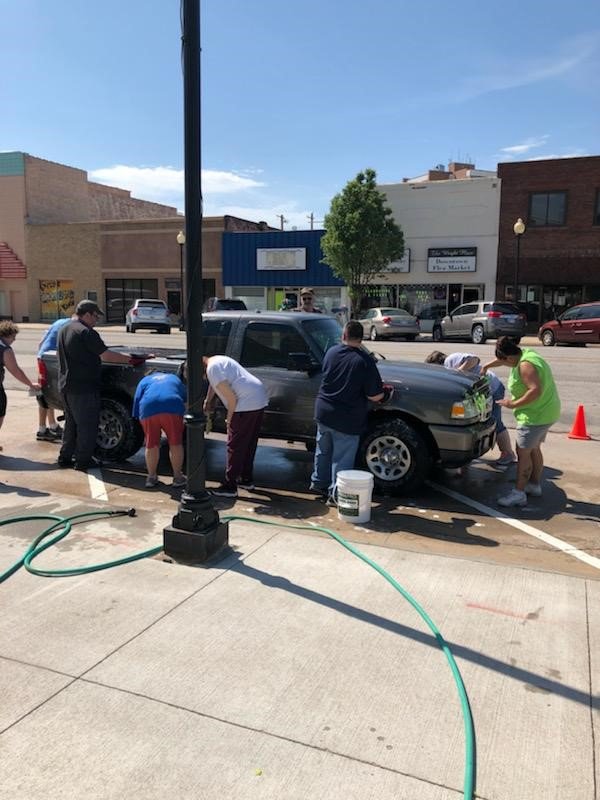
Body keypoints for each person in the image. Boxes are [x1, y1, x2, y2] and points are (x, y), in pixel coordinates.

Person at [57, 299, 148, 472]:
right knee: (87, 425)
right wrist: (132, 360)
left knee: (71, 423)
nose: (96, 320)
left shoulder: (65, 329)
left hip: (66, 385)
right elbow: (105, 355)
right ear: (87, 314)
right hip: (84, 388)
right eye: (95, 316)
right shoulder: (86, 332)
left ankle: (65, 457)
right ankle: (83, 460)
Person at [310, 320, 384, 506]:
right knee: (341, 458)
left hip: (324, 411)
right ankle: (335, 494)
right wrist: (386, 393)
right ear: (362, 338)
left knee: (323, 451)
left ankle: (319, 483)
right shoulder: (364, 361)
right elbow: (374, 396)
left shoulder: (331, 353)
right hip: (347, 418)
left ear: (344, 336)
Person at [482, 336, 561, 507]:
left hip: (534, 416)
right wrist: (487, 366)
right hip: (547, 412)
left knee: (523, 453)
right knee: (534, 449)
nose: (502, 363)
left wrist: (512, 404)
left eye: (504, 361)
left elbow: (534, 391)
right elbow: (502, 359)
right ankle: (534, 485)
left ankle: (519, 493)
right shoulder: (526, 354)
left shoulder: (525, 365)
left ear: (510, 358)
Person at [202, 354, 268, 497]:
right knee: (249, 443)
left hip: (244, 403)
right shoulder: (217, 360)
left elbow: (232, 399)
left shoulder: (212, 369)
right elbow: (216, 383)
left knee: (235, 445)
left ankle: (229, 486)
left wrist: (229, 419)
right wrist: (208, 400)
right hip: (258, 398)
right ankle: (246, 479)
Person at [442, 352, 517, 468]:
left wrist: (458, 372)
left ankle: (508, 453)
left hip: (493, 389)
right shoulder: (449, 365)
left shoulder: (450, 360)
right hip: (484, 391)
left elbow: (474, 359)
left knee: (495, 422)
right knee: (484, 421)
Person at [132, 370, 186, 489]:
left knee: (151, 444)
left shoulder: (144, 380)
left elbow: (136, 403)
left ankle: (151, 477)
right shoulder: (173, 378)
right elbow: (185, 398)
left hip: (148, 408)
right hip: (172, 405)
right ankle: (178, 477)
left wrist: (139, 418)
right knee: (175, 443)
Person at [0, 321, 41, 451]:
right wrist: (30, 384)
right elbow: (15, 371)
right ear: (8, 335)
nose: (14, 340)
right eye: (13, 337)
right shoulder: (5, 349)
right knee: (0, 413)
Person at [35, 316, 73, 441]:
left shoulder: (59, 322)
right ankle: (42, 429)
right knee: (46, 394)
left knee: (47, 393)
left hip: (43, 356)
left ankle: (51, 426)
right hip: (51, 359)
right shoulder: (72, 326)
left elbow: (41, 342)